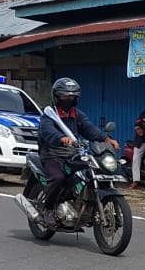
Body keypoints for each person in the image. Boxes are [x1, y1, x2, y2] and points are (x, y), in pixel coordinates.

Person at [19, 77, 107, 220]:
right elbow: (47, 131)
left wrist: (105, 138)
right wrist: (61, 138)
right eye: (64, 96)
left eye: (72, 96)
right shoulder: (49, 115)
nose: (68, 99)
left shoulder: (77, 115)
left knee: (88, 175)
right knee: (58, 178)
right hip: (51, 154)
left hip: (72, 154)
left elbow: (89, 128)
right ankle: (47, 209)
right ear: (57, 97)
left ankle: (80, 205)